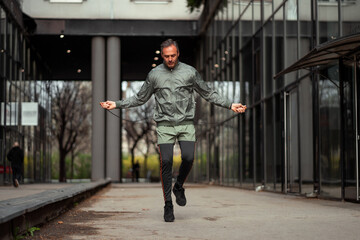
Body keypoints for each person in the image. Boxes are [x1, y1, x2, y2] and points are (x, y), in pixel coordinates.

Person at [100, 39, 246, 222]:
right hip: (165, 125)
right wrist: (116, 104)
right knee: (166, 161)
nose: (170, 59)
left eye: (173, 55)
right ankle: (168, 204)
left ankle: (178, 186)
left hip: (186, 123)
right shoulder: (154, 75)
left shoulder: (190, 72)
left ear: (178, 54)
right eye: (166, 56)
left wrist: (230, 104)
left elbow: (208, 93)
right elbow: (140, 98)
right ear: (162, 55)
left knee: (188, 157)